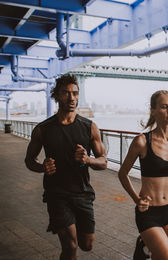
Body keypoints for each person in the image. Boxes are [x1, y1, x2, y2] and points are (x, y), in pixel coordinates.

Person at [24, 74, 108, 260]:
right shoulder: (43, 129)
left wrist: (88, 160)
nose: (71, 98)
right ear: (57, 96)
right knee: (70, 246)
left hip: (83, 193)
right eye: (66, 93)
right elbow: (29, 160)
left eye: (75, 93)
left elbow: (103, 161)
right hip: (57, 194)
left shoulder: (89, 127)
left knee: (87, 245)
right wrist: (42, 167)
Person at [118, 90, 168, 260]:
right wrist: (136, 198)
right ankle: (145, 243)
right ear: (153, 110)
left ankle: (145, 249)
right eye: (164, 107)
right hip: (148, 212)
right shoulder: (141, 141)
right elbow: (122, 174)